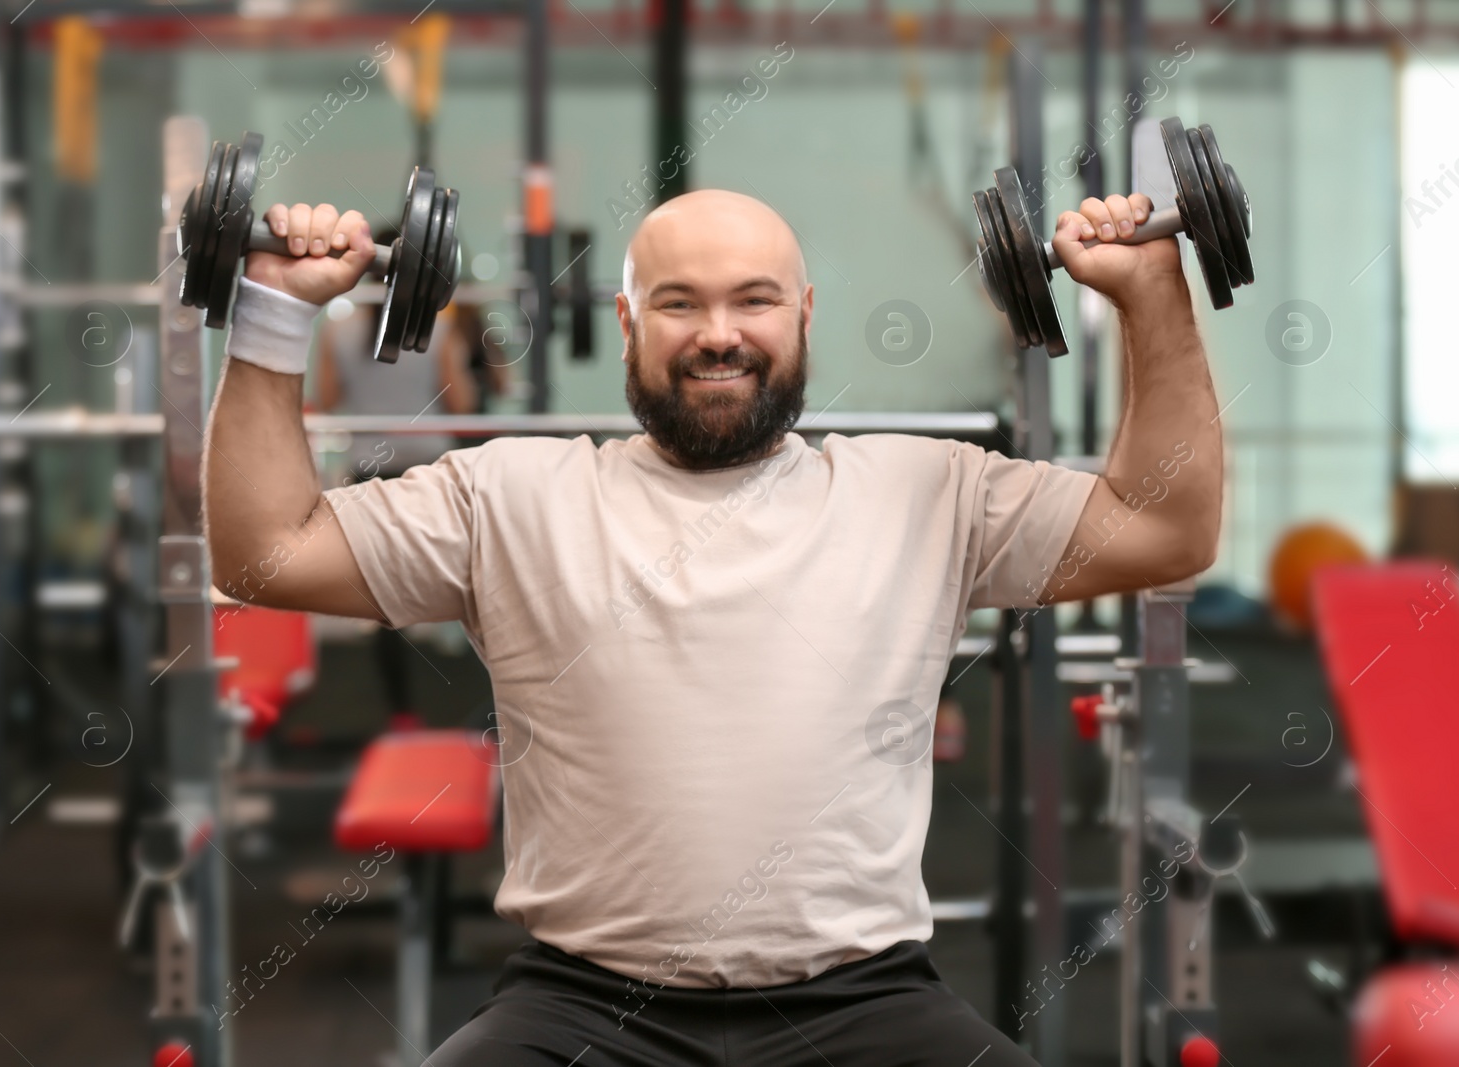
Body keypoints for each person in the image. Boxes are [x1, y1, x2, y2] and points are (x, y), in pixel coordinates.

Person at [205, 190, 1221, 1065]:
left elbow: (1165, 527)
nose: (718, 332)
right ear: (626, 320)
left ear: (805, 315)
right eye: (678, 302)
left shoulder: (926, 491)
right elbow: (262, 554)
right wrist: (270, 313)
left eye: (754, 299)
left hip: (865, 1002)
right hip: (583, 1005)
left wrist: (1150, 294)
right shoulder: (509, 495)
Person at [312, 226, 486, 730]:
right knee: (466, 586)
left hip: (369, 474)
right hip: (428, 472)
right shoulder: (437, 329)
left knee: (383, 600)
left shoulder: (338, 331)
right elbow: (463, 406)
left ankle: (402, 715)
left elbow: (326, 399)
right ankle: (467, 710)